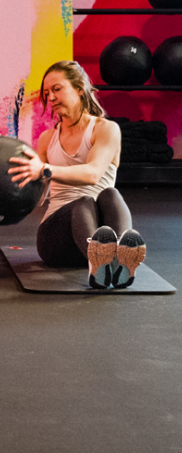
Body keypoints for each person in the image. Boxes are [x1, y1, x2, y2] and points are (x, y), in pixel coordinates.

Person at [9, 60, 147, 289]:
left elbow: (93, 174)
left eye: (57, 89)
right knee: (82, 202)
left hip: (100, 234)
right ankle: (100, 262)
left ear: (79, 88)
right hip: (57, 240)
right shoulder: (47, 139)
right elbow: (37, 195)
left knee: (110, 194)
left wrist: (45, 169)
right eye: (46, 93)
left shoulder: (106, 130)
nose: (50, 98)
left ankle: (118, 262)